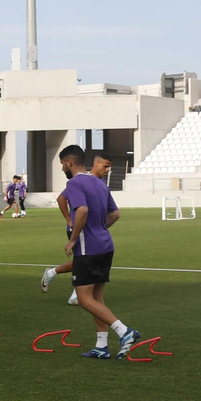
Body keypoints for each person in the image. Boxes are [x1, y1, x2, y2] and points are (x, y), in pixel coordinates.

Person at [55, 145, 141, 359]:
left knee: (83, 299)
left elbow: (82, 210)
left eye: (62, 165)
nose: (62, 169)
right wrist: (99, 229)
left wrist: (73, 238)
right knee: (97, 299)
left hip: (88, 249)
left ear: (69, 163)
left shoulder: (74, 183)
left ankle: (124, 331)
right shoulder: (100, 184)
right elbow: (115, 214)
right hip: (105, 246)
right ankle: (102, 346)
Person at [42, 152, 114, 305]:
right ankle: (75, 291)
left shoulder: (96, 183)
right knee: (82, 259)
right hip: (78, 229)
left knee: (83, 260)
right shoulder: (80, 182)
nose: (108, 170)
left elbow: (115, 213)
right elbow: (63, 199)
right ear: (95, 164)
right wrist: (69, 219)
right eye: (105, 166)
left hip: (89, 231)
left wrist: (97, 226)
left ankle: (59, 278)